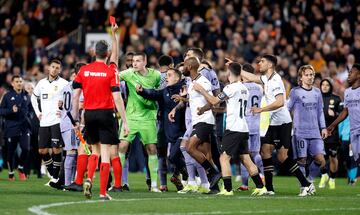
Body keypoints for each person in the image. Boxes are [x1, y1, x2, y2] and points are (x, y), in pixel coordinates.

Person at [239, 54, 314, 196]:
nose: (259, 63)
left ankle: (306, 184)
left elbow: (280, 102)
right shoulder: (267, 78)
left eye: (262, 61)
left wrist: (261, 109)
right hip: (273, 123)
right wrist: (236, 67)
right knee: (265, 151)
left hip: (283, 123)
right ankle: (269, 188)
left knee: (282, 157)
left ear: (270, 65)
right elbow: (254, 78)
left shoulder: (276, 81)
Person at [72, 24, 128, 200]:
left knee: (93, 150)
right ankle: (103, 193)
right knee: (105, 154)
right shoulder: (111, 71)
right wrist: (125, 121)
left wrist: (75, 119)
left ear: (93, 52)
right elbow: (118, 98)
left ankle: (89, 178)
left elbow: (75, 97)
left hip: (88, 114)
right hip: (106, 114)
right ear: (108, 53)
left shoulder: (83, 70)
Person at [192, 62, 267, 196]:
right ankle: (261, 187)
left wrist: (201, 90)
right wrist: (203, 109)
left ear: (229, 73)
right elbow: (228, 106)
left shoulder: (230, 88)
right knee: (245, 158)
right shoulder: (244, 88)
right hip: (243, 127)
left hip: (233, 128)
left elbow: (215, 101)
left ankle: (227, 189)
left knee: (223, 158)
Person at [136, 68, 188, 191]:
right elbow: (153, 94)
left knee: (174, 157)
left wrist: (184, 99)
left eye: (169, 75)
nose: (166, 77)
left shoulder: (184, 90)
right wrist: (142, 91)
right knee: (166, 156)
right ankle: (169, 182)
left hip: (182, 130)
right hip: (166, 130)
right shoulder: (165, 91)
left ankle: (190, 176)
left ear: (177, 78)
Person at [173, 57, 220, 191]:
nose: (183, 69)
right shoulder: (193, 82)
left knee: (189, 148)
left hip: (204, 121)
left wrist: (203, 109)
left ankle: (214, 173)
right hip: (199, 121)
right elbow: (196, 99)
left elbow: (213, 101)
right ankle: (215, 186)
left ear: (190, 67)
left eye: (185, 66)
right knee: (207, 154)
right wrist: (183, 99)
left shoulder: (202, 82)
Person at [118, 52, 161, 192]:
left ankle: (154, 185)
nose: (134, 63)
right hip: (131, 117)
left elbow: (161, 92)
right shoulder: (129, 73)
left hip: (148, 117)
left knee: (152, 149)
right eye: (133, 61)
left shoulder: (156, 75)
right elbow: (113, 76)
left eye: (137, 61)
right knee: (122, 146)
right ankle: (118, 183)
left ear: (145, 62)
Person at [287, 65, 328, 191]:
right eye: (307, 75)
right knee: (302, 160)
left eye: (312, 75)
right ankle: (303, 187)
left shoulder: (317, 92)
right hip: (300, 131)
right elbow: (287, 109)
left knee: (320, 160)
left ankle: (309, 181)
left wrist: (323, 127)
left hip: (315, 131)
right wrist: (288, 127)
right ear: (301, 77)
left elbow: (320, 111)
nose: (310, 77)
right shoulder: (295, 92)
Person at [31, 59, 69, 188]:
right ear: (48, 68)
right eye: (53, 67)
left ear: (60, 70)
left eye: (57, 68)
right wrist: (38, 113)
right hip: (44, 122)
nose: (54, 69)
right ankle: (55, 175)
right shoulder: (41, 83)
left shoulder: (64, 83)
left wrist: (63, 109)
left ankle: (54, 178)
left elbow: (70, 99)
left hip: (57, 121)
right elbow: (33, 98)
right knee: (42, 150)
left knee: (56, 149)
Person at [328, 64, 360, 172]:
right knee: (357, 158)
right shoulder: (347, 92)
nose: (349, 74)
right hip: (353, 131)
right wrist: (332, 125)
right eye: (348, 72)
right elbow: (345, 112)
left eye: (352, 72)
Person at [0, 75, 31, 181]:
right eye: (17, 81)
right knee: (11, 152)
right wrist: (10, 110)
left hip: (24, 127)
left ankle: (21, 167)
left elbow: (31, 109)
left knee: (26, 149)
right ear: (12, 83)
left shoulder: (27, 96)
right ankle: (10, 173)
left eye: (20, 81)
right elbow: (1, 111)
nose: (19, 83)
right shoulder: (7, 96)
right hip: (11, 127)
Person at [238, 63, 264, 191]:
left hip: (245, 125)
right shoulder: (259, 88)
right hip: (256, 124)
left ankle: (244, 184)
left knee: (244, 155)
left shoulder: (241, 87)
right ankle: (263, 175)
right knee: (256, 153)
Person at [318, 79, 342, 189]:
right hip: (318, 132)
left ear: (330, 86)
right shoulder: (316, 98)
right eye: (323, 84)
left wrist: (335, 115)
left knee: (333, 157)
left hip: (332, 132)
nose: (325, 86)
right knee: (318, 156)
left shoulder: (336, 99)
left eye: (327, 85)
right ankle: (324, 174)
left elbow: (342, 115)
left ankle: (332, 178)